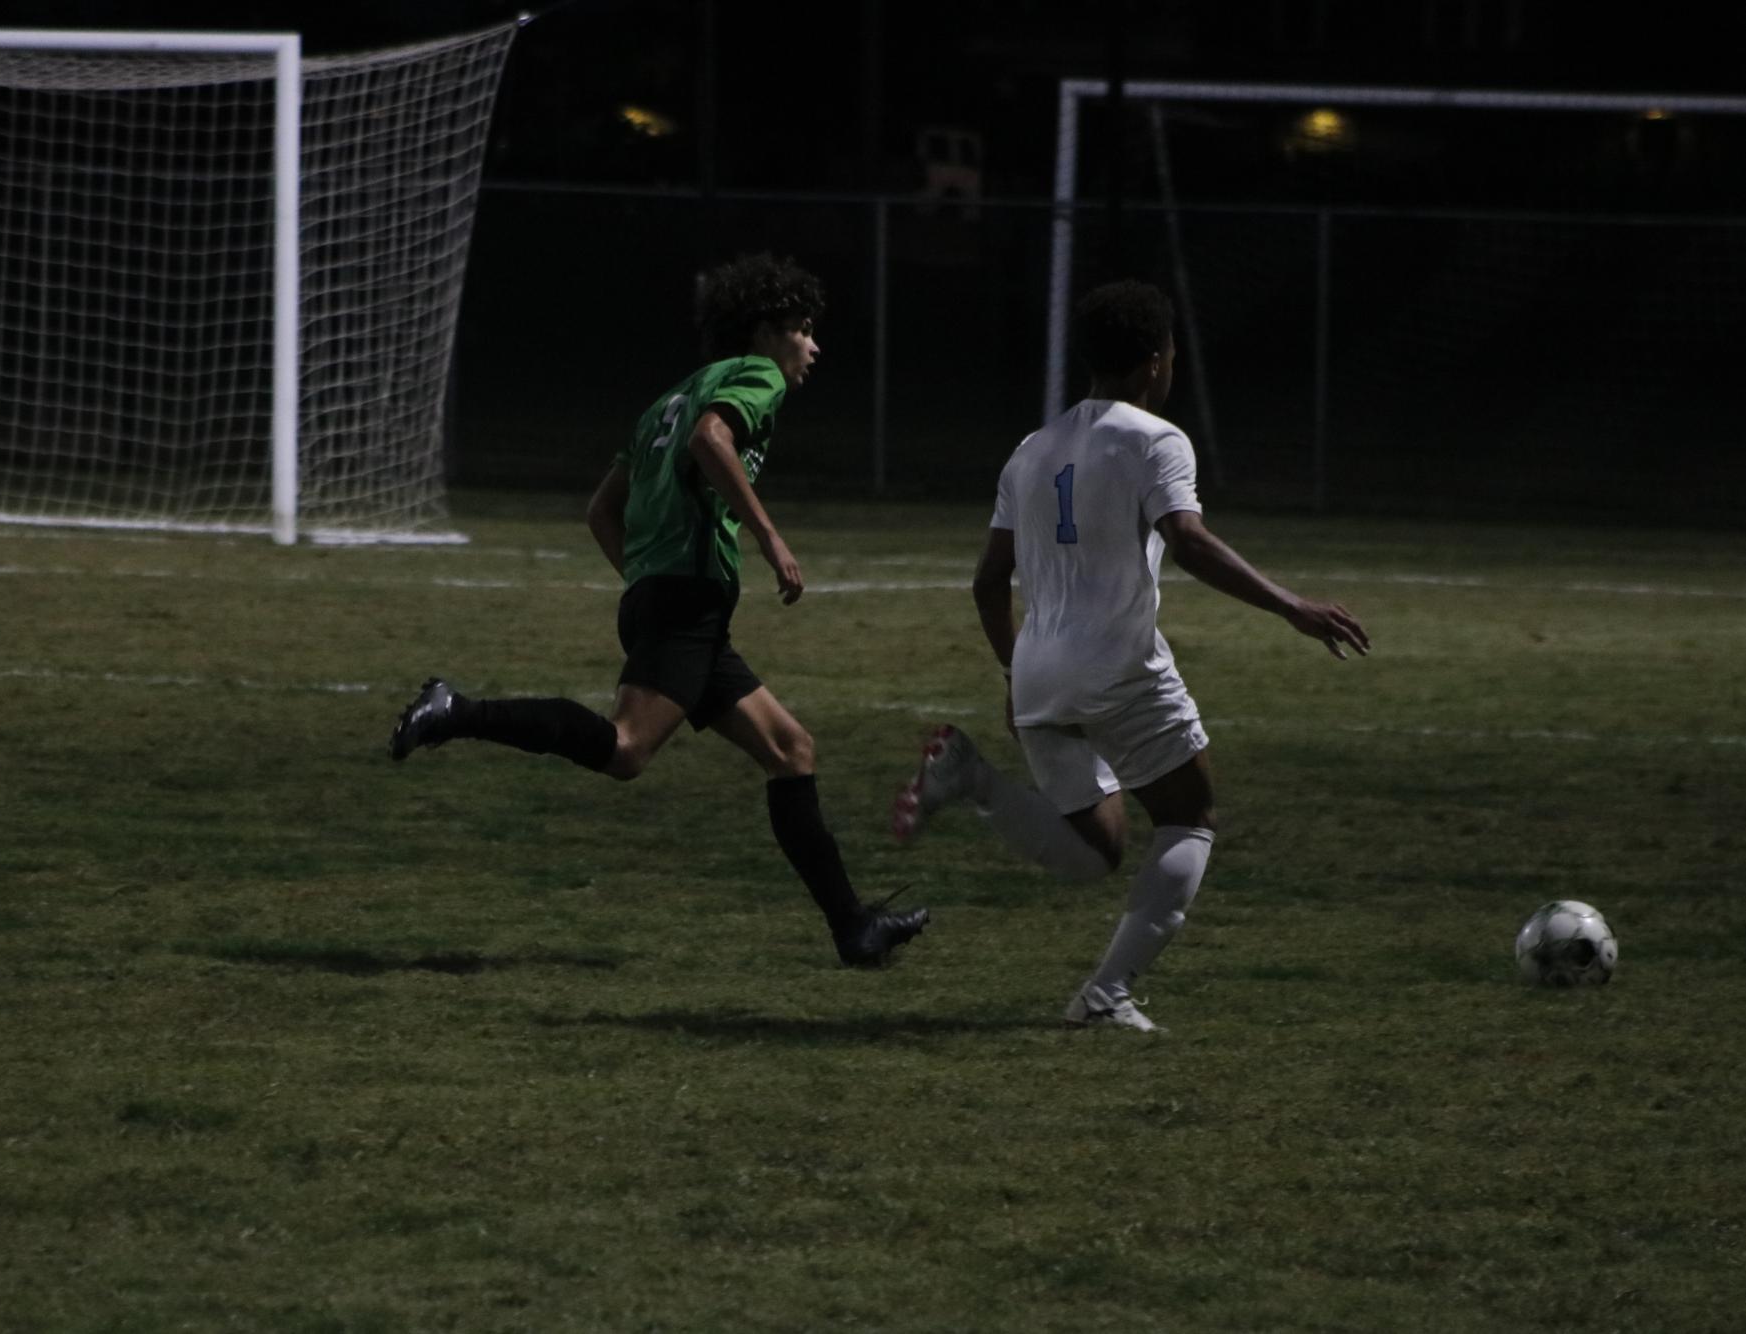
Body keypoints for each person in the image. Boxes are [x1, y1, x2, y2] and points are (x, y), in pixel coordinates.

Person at [390, 252, 929, 968]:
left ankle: (853, 930)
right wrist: (767, 538)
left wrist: (648, 581)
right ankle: (455, 712)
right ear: (767, 331)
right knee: (624, 750)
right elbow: (713, 440)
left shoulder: (665, 400)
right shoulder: (756, 376)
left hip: (670, 601)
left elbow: (600, 510)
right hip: (685, 602)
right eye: (802, 330)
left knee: (790, 750)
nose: (811, 346)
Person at [891, 278, 1368, 1031]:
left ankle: (973, 778)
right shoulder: (1154, 439)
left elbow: (988, 581)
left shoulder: (1029, 450)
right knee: (1189, 818)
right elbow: (1187, 540)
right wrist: (1291, 607)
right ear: (1154, 362)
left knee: (1094, 853)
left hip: (1041, 669)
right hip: (1118, 663)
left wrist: (1016, 674)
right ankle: (1104, 996)